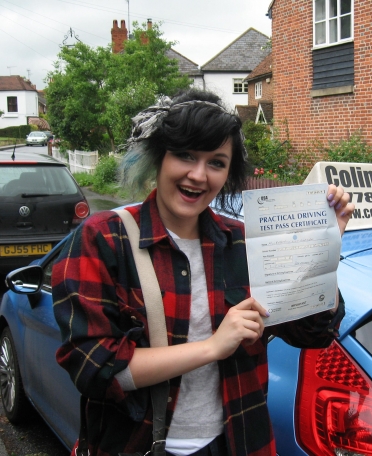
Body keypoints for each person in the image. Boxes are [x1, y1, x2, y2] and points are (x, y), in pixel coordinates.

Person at [52, 88, 354, 456]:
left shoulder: (244, 244)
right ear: (159, 156)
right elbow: (93, 367)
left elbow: (313, 332)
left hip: (238, 444)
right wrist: (211, 347)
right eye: (185, 155)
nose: (198, 175)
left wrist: (324, 249)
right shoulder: (104, 238)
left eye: (216, 162)